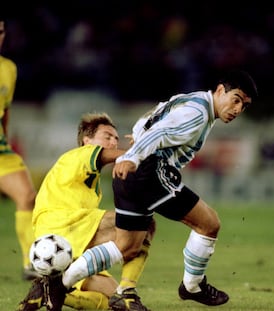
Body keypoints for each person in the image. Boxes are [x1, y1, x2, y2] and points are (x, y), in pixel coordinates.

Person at [44, 70, 258, 311]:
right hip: (150, 173)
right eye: (236, 99)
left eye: (244, 105)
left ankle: (61, 283)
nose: (238, 109)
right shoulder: (198, 113)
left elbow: (156, 114)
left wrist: (137, 137)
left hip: (131, 179)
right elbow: (160, 132)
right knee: (209, 223)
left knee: (126, 247)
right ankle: (192, 285)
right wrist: (133, 157)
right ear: (220, 91)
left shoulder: (191, 100)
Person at [17, 112, 155, 311]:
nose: (113, 142)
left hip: (67, 233)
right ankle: (127, 291)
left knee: (110, 302)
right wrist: (141, 150)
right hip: (64, 224)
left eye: (116, 138)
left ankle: (48, 292)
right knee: (143, 223)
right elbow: (107, 155)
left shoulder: (90, 181)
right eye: (107, 136)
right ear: (86, 140)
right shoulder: (79, 155)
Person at [0, 16, 39, 280]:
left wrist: (6, 138)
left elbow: (6, 109)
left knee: (27, 196)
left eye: (0, 31)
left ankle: (31, 263)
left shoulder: (8, 69)